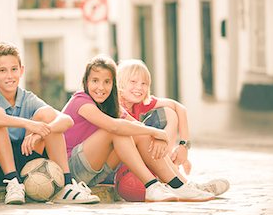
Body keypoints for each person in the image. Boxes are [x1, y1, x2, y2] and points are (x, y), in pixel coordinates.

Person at [62, 55, 215, 202]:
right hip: (72, 169)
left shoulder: (111, 104)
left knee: (134, 131)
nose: (101, 87)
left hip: (98, 173)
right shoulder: (81, 100)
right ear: (86, 82)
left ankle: (179, 186)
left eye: (107, 82)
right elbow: (114, 126)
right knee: (117, 130)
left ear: (113, 84)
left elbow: (136, 126)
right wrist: (156, 132)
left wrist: (156, 138)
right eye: (95, 81)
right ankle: (152, 186)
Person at [0, 42, 100, 205]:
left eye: (14, 69)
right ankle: (12, 182)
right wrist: (28, 124)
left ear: (21, 70)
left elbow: (66, 120)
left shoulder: (28, 98)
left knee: (47, 115)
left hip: (25, 161)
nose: (9, 75)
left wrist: (41, 131)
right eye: (2, 70)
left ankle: (66, 185)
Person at [117, 59, 229, 196]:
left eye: (144, 83)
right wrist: (158, 136)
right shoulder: (116, 105)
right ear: (120, 83)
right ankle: (182, 184)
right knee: (142, 131)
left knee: (170, 113)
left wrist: (184, 146)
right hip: (115, 166)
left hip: (139, 154)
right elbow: (137, 129)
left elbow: (179, 107)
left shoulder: (139, 103)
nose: (139, 87)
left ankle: (179, 179)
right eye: (133, 82)